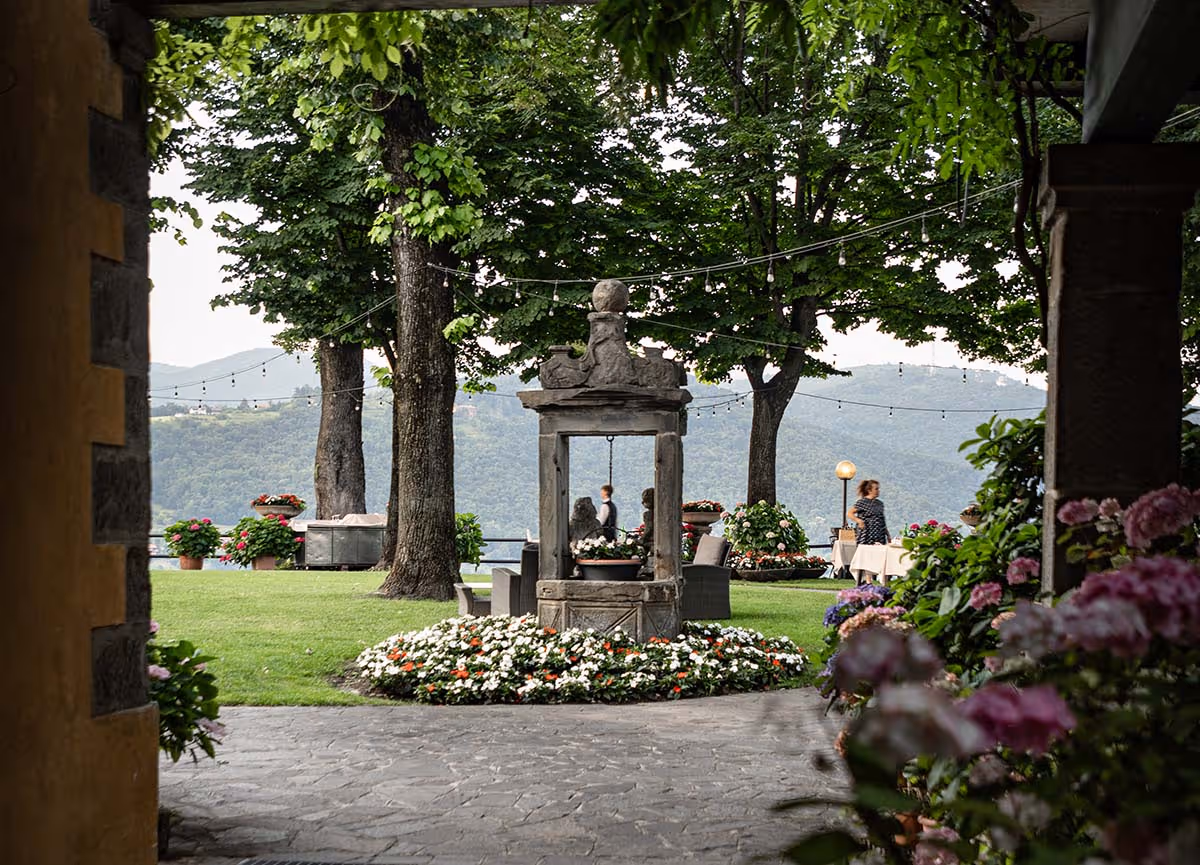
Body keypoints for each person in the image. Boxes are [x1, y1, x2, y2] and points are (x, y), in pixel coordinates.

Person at [848, 479, 889, 546]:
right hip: (866, 534)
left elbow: (882, 520)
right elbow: (850, 513)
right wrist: (859, 521)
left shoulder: (880, 503)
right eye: (876, 489)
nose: (878, 491)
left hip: (879, 535)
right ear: (869, 490)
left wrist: (887, 534)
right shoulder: (862, 502)